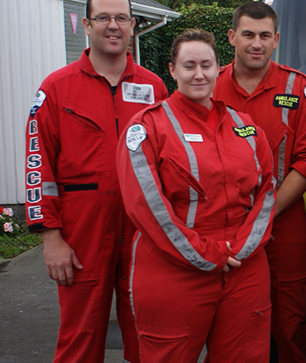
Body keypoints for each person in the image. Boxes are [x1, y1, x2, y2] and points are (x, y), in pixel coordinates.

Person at [24, 0, 167, 363]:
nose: (113, 26)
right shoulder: (56, 89)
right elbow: (39, 168)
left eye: (121, 17)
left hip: (143, 230)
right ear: (86, 25)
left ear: (133, 25)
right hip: (82, 230)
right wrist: (51, 239)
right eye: (103, 17)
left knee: (149, 334)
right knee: (80, 337)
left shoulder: (154, 88)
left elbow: (173, 163)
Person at [117, 29, 276, 362]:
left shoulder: (244, 126)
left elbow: (266, 191)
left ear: (219, 68)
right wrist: (210, 253)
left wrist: (241, 248)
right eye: (189, 66)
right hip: (174, 271)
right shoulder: (147, 128)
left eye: (207, 64)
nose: (199, 74)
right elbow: (148, 208)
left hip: (243, 267)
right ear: (172, 70)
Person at [214, 1, 306, 363]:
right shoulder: (208, 86)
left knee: (292, 325)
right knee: (231, 328)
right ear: (232, 37)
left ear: (276, 39)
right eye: (247, 35)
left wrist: (266, 213)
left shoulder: (299, 88)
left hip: (283, 226)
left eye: (264, 36)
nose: (255, 43)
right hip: (222, 230)